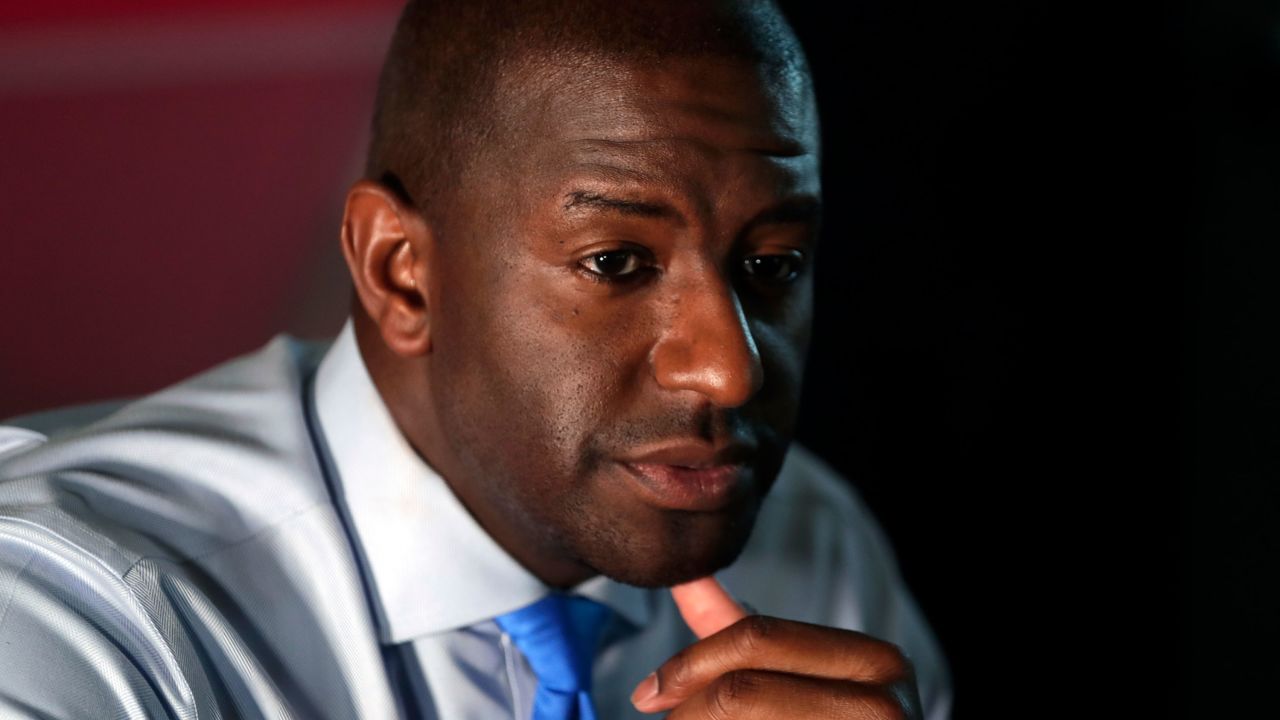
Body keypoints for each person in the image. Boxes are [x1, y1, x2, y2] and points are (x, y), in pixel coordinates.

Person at [0, 0, 952, 718]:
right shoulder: (62, 613)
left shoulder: (808, 550)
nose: (728, 374)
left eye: (772, 264)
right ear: (401, 273)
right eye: (614, 263)